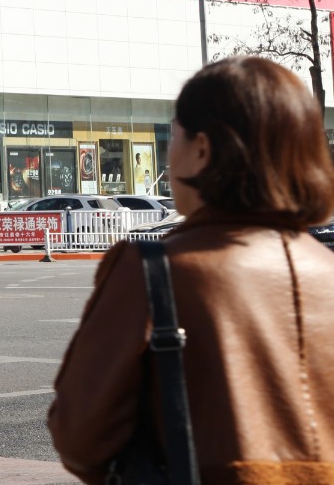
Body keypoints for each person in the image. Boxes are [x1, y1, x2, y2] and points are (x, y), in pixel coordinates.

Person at [50, 57, 334, 483]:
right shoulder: (327, 268)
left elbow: (80, 437)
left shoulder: (152, 269)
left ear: (202, 150)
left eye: (174, 134)